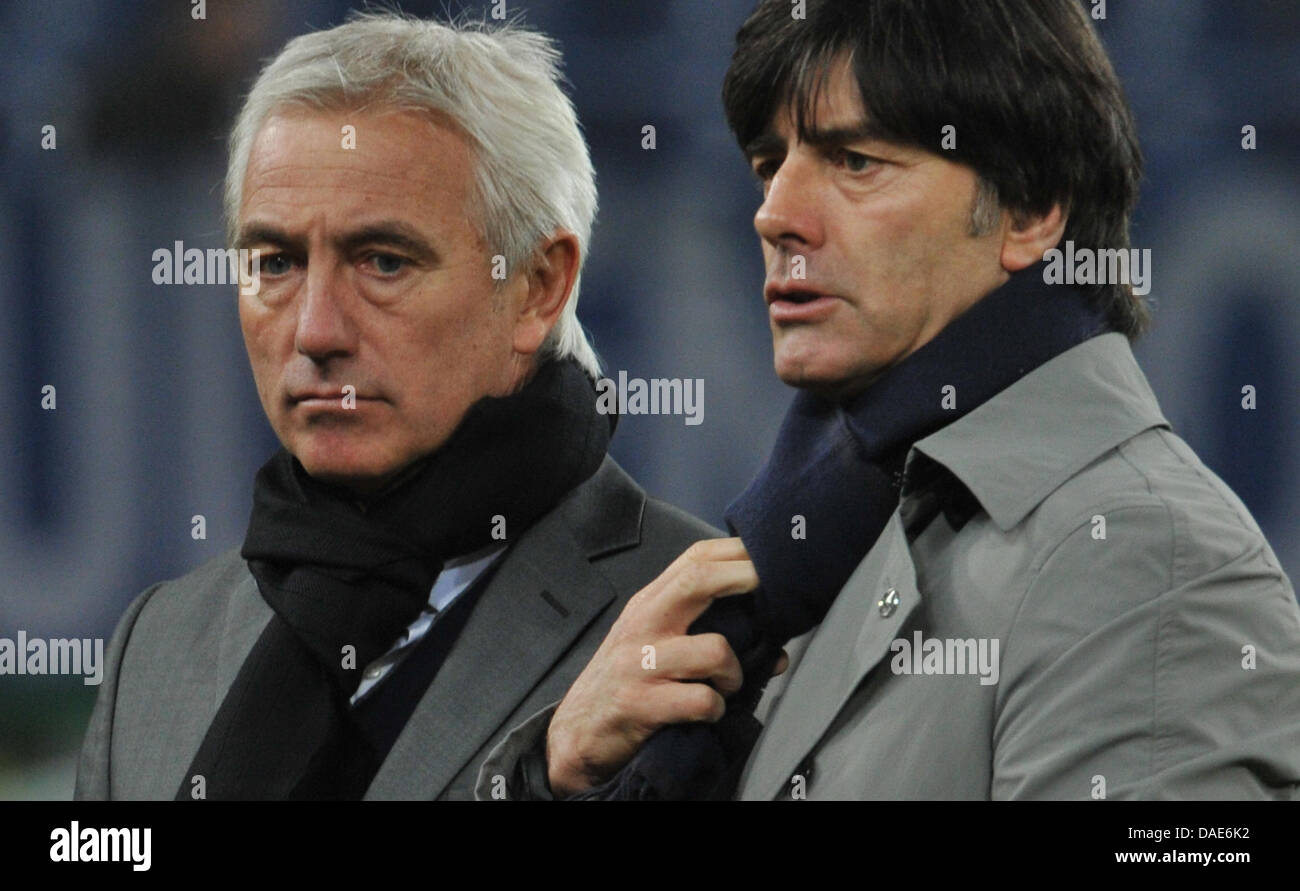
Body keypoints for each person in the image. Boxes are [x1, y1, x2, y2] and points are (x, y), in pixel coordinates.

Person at [477, 0, 1300, 800]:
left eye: (855, 162)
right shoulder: (823, 548)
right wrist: (553, 776)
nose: (774, 214)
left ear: (1030, 210)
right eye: (771, 165)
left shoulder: (1148, 560)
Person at [74, 12, 715, 801]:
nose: (315, 331)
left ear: (538, 286)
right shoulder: (157, 647)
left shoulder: (694, 622)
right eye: (274, 261)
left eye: (382, 261)